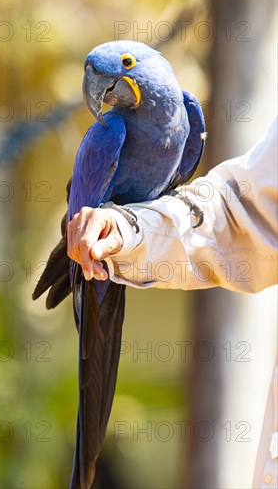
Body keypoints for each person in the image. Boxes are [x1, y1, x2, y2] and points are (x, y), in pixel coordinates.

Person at [67, 119, 278, 488]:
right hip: (109, 256)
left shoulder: (186, 119)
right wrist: (130, 227)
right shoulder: (110, 130)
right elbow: (242, 212)